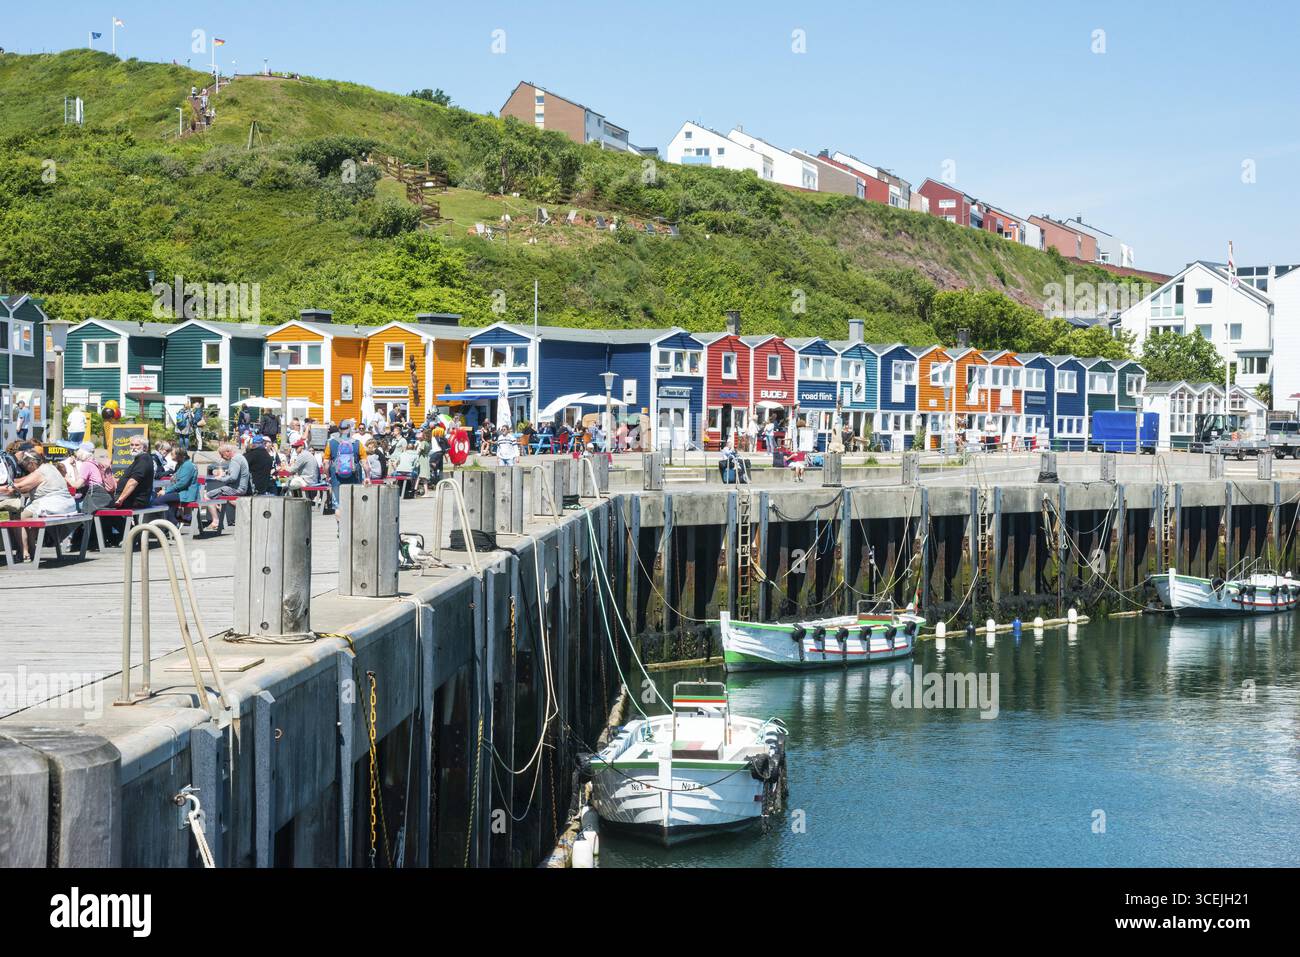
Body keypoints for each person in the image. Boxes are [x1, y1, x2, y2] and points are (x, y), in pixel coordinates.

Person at [0, 449, 77, 560]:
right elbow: (25, 480)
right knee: (29, 516)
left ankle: (24, 552)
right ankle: (31, 550)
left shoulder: (40, 472)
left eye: (26, 466)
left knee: (18, 517)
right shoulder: (49, 467)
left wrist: (5, 487)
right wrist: (11, 481)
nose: (26, 470)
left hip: (53, 504)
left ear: (32, 463)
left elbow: (21, 487)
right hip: (67, 504)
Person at [324, 419, 367, 513]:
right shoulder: (357, 443)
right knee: (354, 503)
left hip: (336, 478)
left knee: (338, 506)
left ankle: (341, 527)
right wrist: (367, 477)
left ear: (339, 429)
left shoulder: (331, 443)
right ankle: (352, 526)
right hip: (354, 477)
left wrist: (327, 476)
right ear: (349, 429)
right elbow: (365, 463)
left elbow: (326, 464)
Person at [205, 442, 251, 529]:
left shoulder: (235, 459)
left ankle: (215, 521)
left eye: (222, 455)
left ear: (227, 452)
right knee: (226, 499)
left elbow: (233, 477)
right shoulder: (240, 457)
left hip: (236, 489)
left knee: (207, 496)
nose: (221, 457)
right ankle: (247, 513)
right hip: (241, 488)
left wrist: (220, 478)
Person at [153, 449, 198, 523]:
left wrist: (166, 491)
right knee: (159, 498)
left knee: (157, 501)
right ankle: (171, 522)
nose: (171, 456)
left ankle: (173, 522)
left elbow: (182, 484)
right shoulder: (180, 464)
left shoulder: (187, 465)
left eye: (173, 454)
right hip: (179, 493)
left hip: (185, 494)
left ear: (180, 456)